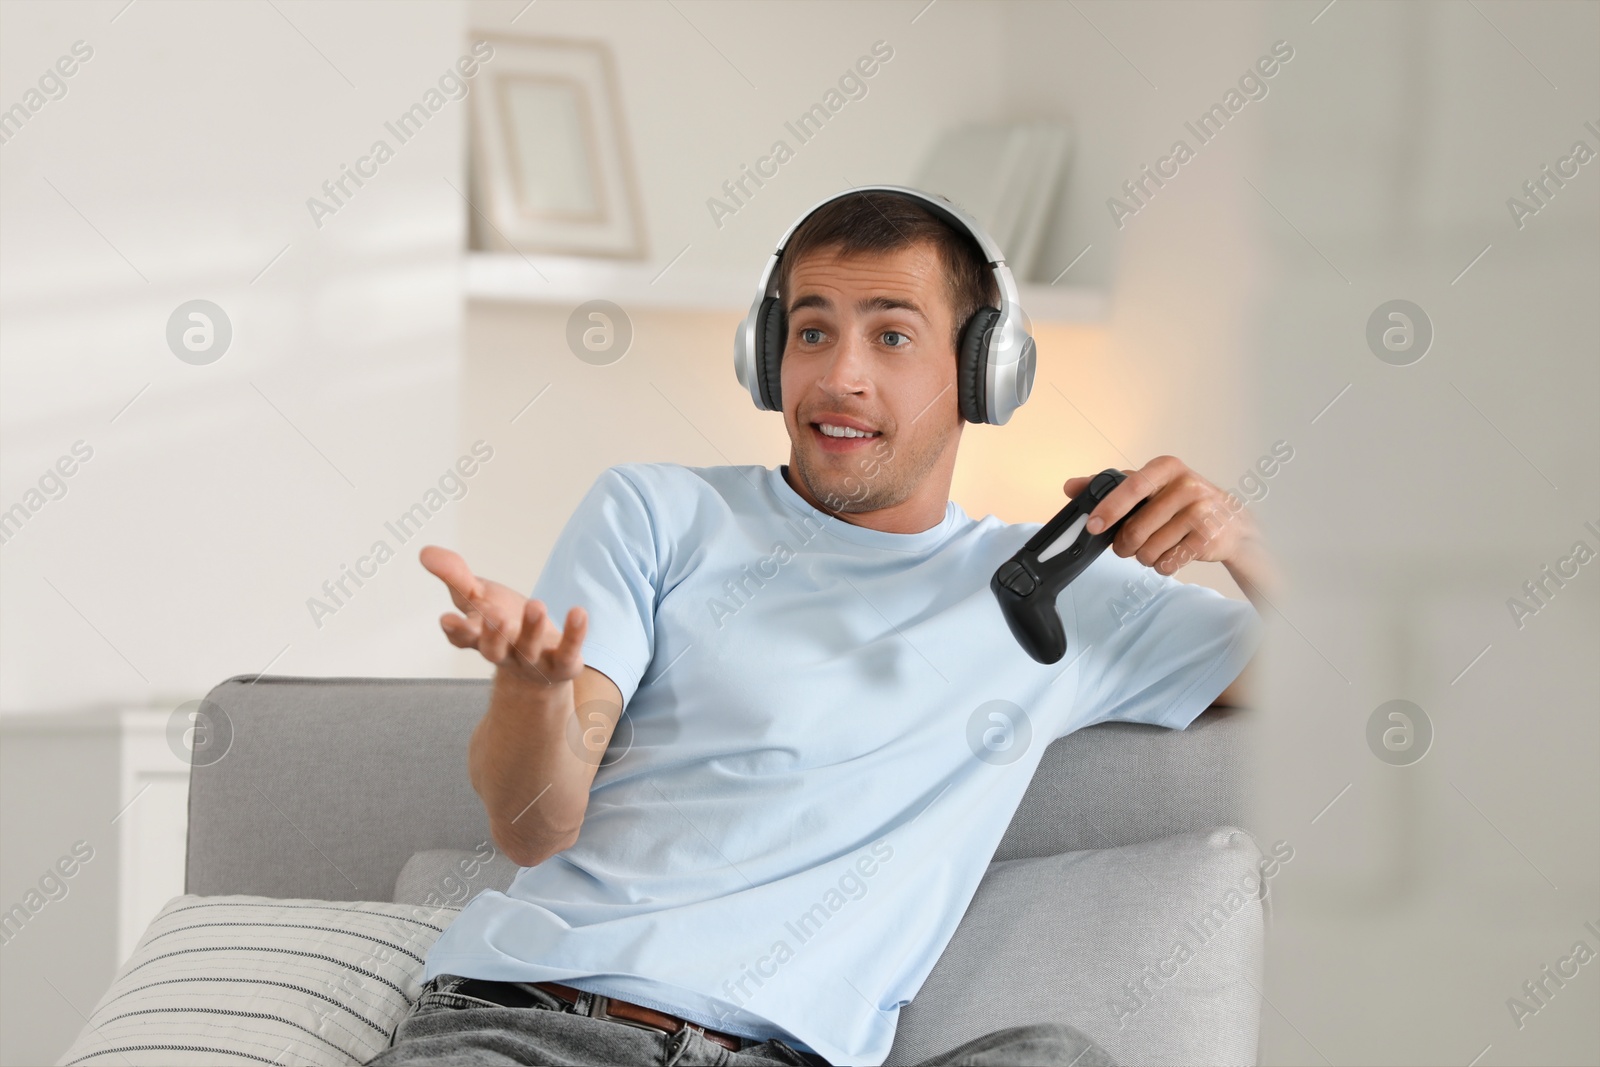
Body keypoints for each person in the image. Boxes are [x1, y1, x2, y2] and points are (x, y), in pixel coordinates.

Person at [368, 188, 1270, 1067]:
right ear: (769, 357)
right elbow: (533, 829)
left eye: (890, 334)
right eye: (810, 331)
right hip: (536, 1028)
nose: (841, 375)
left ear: (981, 372)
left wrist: (1244, 544)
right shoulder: (657, 511)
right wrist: (530, 691)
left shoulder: (1057, 588)